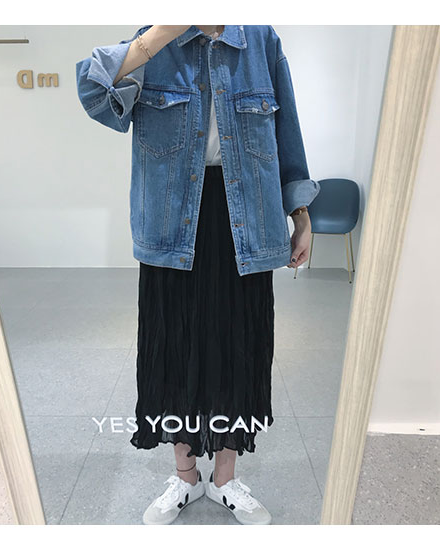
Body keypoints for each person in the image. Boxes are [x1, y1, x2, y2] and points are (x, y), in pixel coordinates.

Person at [76, 24, 320, 525]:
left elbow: (286, 133)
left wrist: (301, 215)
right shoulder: (154, 40)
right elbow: (93, 89)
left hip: (247, 219)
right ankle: (186, 477)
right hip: (171, 222)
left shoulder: (261, 42)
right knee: (174, 350)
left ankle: (225, 479)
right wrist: (161, 33)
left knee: (239, 350)